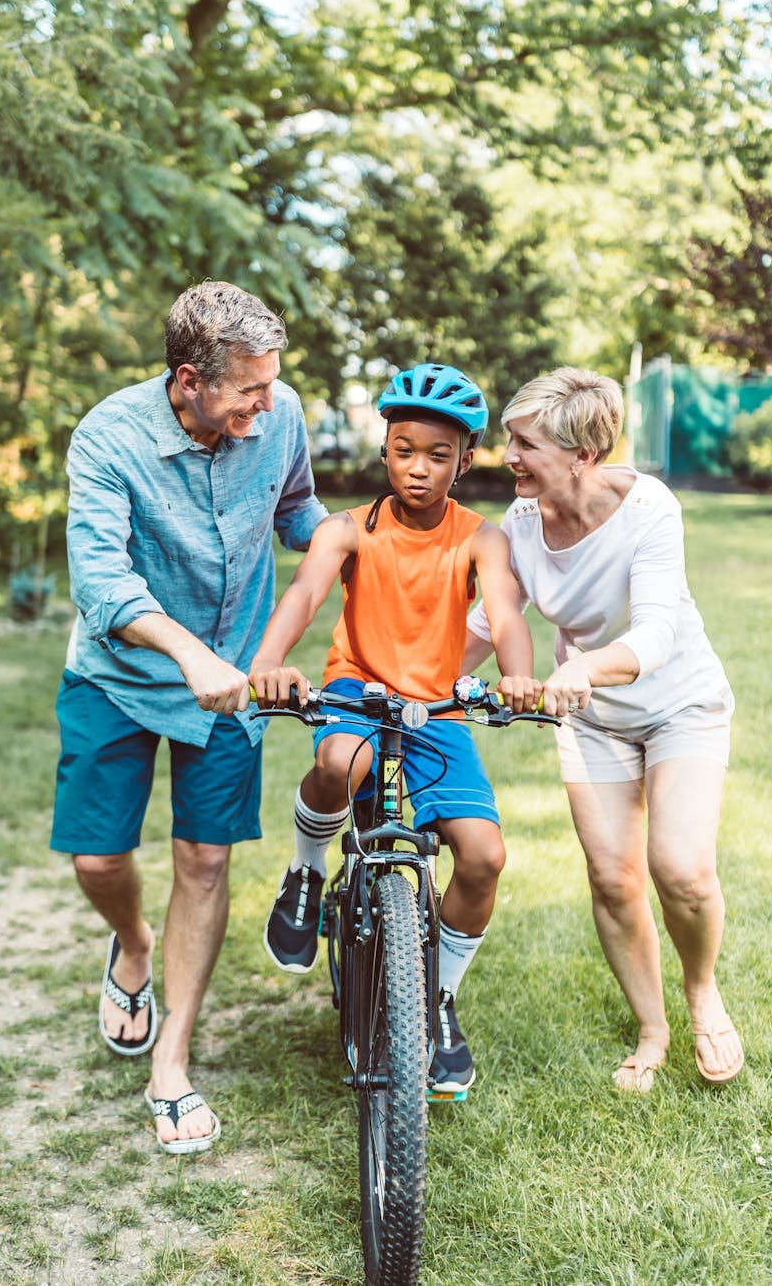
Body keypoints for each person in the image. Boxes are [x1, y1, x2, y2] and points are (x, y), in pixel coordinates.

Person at [50, 280, 327, 1152]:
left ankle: (173, 1056)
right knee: (98, 858)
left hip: (231, 677)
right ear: (186, 380)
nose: (265, 403)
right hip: (121, 672)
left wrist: (375, 547)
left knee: (205, 858)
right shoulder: (108, 437)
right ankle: (131, 944)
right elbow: (101, 582)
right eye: (247, 390)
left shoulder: (277, 416)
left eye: (271, 384)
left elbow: (296, 512)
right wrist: (187, 653)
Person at [249, 362, 540, 1095]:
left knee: (482, 856)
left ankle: (436, 997)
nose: (418, 468)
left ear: (464, 462)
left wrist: (518, 676)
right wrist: (266, 661)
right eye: (404, 450)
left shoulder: (481, 539)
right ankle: (307, 874)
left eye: (437, 455)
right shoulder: (347, 531)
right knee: (341, 764)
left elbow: (503, 611)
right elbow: (306, 590)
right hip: (356, 689)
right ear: (384, 450)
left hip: (434, 705)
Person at [465, 366, 744, 1092]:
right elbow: (484, 623)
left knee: (680, 869)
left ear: (581, 455)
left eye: (524, 444)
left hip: (676, 700)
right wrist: (409, 683)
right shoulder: (522, 523)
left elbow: (653, 634)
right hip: (590, 716)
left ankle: (701, 991)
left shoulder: (648, 508)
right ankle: (652, 1030)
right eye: (510, 440)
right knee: (612, 878)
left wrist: (581, 670)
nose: (511, 457)